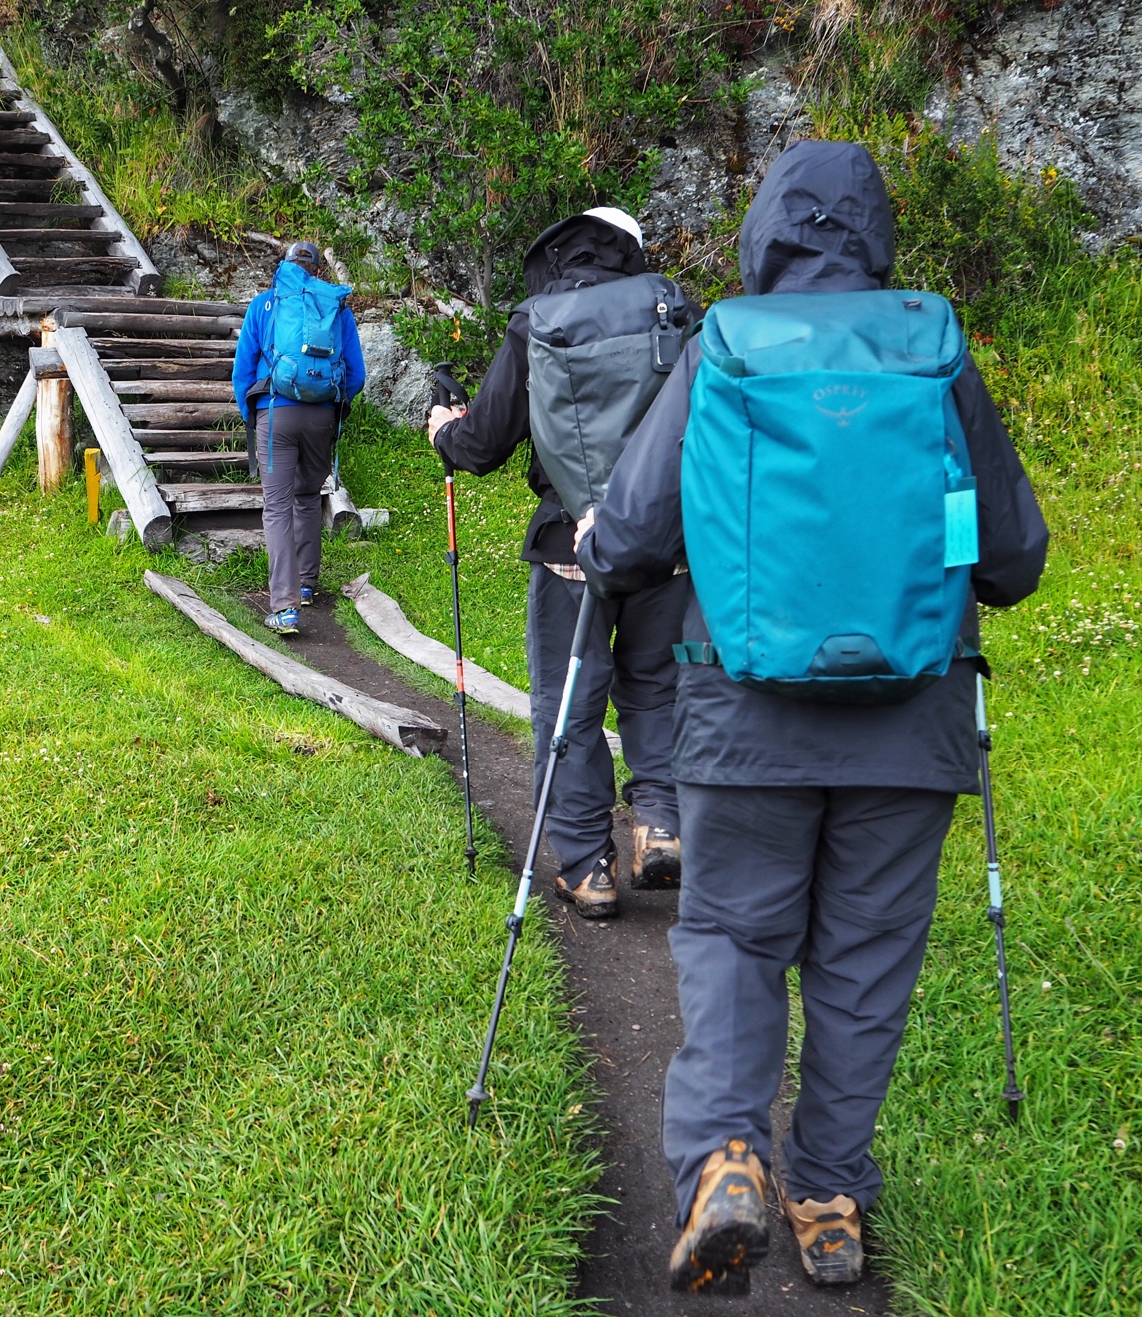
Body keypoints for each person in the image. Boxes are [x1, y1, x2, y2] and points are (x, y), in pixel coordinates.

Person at [575, 141, 1049, 1291]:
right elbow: (1014, 560)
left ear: (764, 231)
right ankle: (826, 1192)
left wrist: (596, 549)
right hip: (910, 729)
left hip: (742, 727)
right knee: (864, 962)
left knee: (734, 941)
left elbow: (632, 537)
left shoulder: (722, 348)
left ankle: (726, 1153)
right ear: (874, 233)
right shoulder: (933, 347)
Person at [427, 207, 690, 921]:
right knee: (656, 689)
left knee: (567, 703)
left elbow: (482, 445)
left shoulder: (538, 318)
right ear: (627, 251)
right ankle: (661, 823)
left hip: (571, 546)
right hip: (666, 547)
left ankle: (587, 865)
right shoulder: (669, 309)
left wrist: (444, 432)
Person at [232, 241, 366, 636]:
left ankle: (285, 607)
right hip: (321, 417)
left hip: (275, 413)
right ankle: (307, 583)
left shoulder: (265, 305)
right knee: (308, 496)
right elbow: (355, 376)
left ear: (285, 266)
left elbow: (242, 372)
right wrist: (330, 408)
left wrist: (252, 415)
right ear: (317, 271)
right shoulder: (336, 309)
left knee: (276, 506)